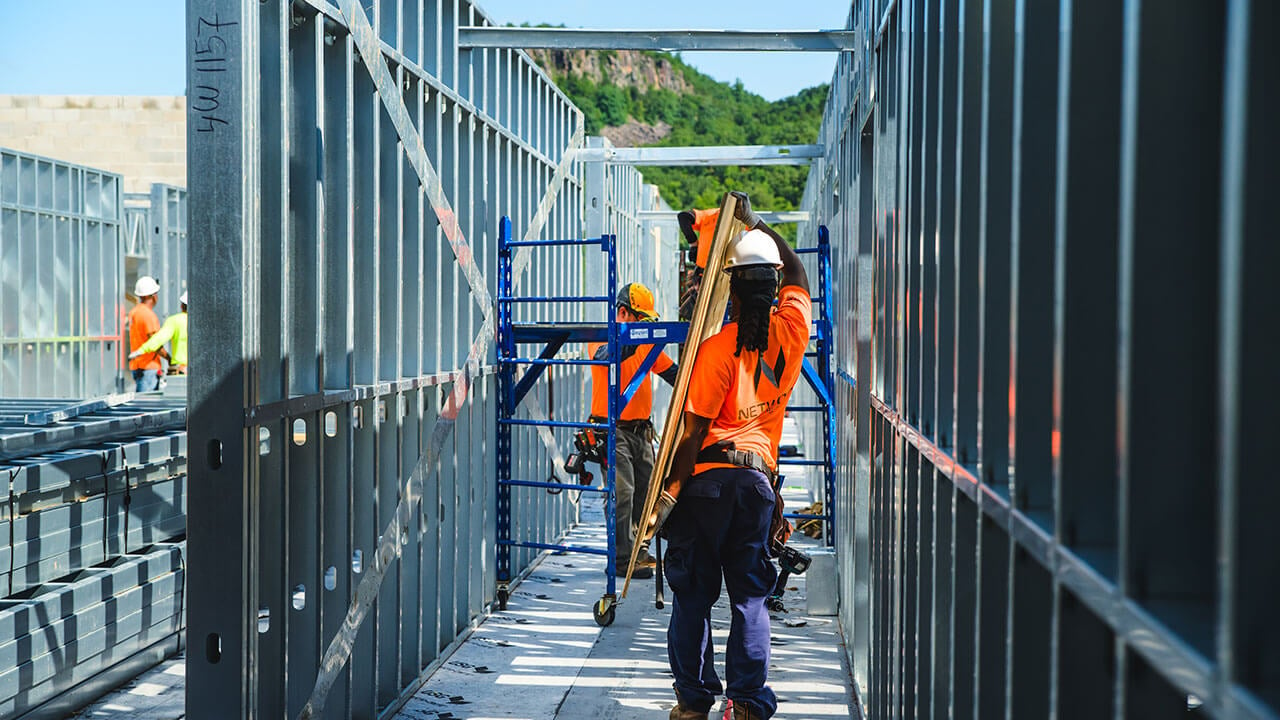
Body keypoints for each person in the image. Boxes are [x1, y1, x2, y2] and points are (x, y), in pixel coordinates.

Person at [656, 192, 811, 720]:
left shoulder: (718, 348)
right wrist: (758, 222)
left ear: (732, 291)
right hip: (756, 488)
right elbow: (799, 275)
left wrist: (669, 492)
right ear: (773, 291)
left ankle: (694, 704)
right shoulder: (792, 334)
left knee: (692, 600)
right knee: (748, 600)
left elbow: (694, 431)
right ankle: (745, 703)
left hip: (705, 486)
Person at [588, 282, 679, 580]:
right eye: (642, 321)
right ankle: (621, 559)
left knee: (648, 493)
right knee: (622, 492)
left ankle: (638, 553)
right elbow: (606, 356)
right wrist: (637, 337)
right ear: (624, 312)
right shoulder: (600, 338)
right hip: (612, 431)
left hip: (641, 433)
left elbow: (671, 373)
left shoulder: (645, 343)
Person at [130, 290, 188, 374]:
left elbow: (158, 339)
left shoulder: (175, 321)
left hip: (181, 369)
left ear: (182, 306)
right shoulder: (203, 323)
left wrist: (141, 350)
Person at [127, 276, 164, 392]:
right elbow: (155, 342)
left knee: (142, 404)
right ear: (152, 296)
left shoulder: (135, 312)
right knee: (147, 405)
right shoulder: (148, 315)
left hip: (138, 366)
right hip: (148, 367)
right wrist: (168, 358)